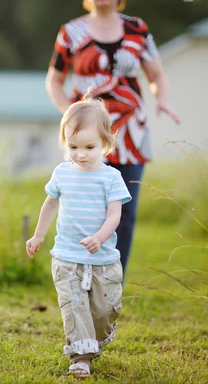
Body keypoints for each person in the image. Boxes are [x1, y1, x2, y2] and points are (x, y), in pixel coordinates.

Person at [45, 0, 180, 276]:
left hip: (132, 134)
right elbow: (54, 81)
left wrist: (163, 99)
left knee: (125, 212)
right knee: (81, 206)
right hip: (85, 136)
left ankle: (112, 281)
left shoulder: (138, 29)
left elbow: (156, 75)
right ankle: (78, 276)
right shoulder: (71, 32)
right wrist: (69, 116)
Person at [26, 100, 131, 378]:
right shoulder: (62, 173)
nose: (81, 155)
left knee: (103, 311)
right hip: (67, 257)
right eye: (73, 147)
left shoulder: (111, 178)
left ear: (105, 144)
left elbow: (114, 216)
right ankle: (81, 357)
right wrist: (38, 235)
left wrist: (99, 237)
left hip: (103, 259)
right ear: (64, 143)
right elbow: (50, 205)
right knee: (75, 307)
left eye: (89, 147)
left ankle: (96, 337)